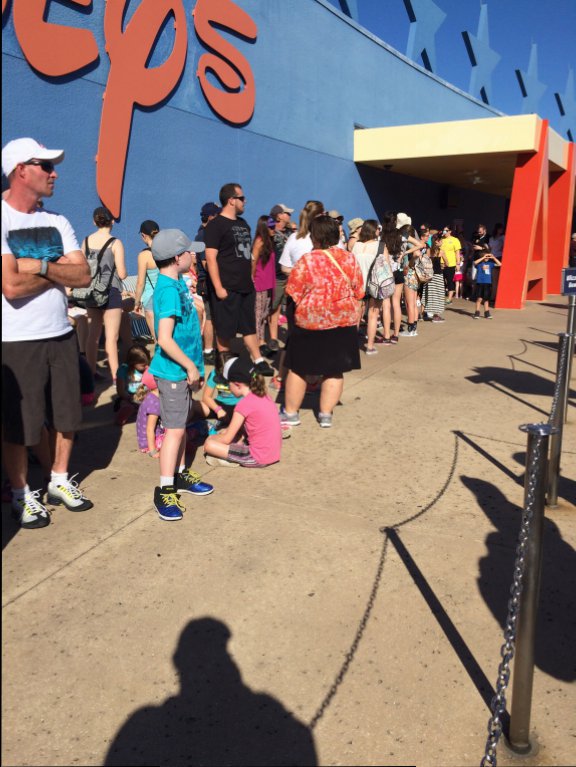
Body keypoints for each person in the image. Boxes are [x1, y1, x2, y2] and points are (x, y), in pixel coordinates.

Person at [2, 136, 94, 528]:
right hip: (16, 339)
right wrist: (58, 270)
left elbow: (84, 275)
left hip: (61, 333)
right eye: (46, 166)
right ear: (20, 170)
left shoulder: (58, 221)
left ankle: (58, 480)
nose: (54, 174)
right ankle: (22, 494)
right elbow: (10, 286)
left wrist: (38, 266)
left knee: (67, 414)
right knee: (19, 423)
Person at [147, 229, 214, 521]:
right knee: (174, 430)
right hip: (174, 372)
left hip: (182, 371)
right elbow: (164, 338)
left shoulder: (176, 284)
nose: (193, 255)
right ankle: (165, 489)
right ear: (177, 258)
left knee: (181, 425)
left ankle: (181, 473)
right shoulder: (168, 290)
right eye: (189, 251)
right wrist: (189, 366)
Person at [281, 215, 364, 428]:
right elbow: (359, 290)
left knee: (299, 367)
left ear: (315, 237)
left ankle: (291, 414)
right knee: (334, 369)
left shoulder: (308, 260)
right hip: (342, 320)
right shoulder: (349, 259)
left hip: (311, 320)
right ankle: (326, 415)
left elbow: (293, 291)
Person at [204, 183, 273, 376]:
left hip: (245, 287)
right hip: (226, 287)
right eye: (241, 198)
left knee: (249, 326)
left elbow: (246, 255)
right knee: (225, 330)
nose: (245, 201)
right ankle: (225, 367)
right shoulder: (215, 225)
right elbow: (210, 258)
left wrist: (250, 278)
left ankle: (258, 360)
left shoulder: (243, 224)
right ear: (231, 200)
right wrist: (218, 287)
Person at [203, 356, 282, 468]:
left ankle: (230, 460)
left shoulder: (243, 405)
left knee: (209, 445)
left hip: (256, 457)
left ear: (237, 385)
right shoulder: (263, 395)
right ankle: (234, 451)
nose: (228, 387)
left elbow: (226, 439)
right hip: (273, 453)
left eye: (228, 383)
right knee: (227, 434)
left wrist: (211, 438)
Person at [83, 206, 128, 381]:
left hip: (91, 291)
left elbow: (82, 268)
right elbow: (122, 274)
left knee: (92, 335)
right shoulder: (115, 243)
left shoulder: (86, 241)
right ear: (112, 221)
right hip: (111, 290)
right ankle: (117, 377)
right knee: (111, 337)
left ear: (94, 222)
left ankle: (91, 372)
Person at [195, 202, 221, 365]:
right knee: (211, 318)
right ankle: (208, 351)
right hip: (207, 282)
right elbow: (206, 264)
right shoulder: (202, 236)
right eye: (217, 215)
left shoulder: (206, 234)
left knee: (216, 317)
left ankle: (215, 349)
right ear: (211, 217)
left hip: (212, 282)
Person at [267, 203, 294, 351]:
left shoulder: (291, 233)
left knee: (291, 307)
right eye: (287, 213)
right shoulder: (269, 232)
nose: (289, 216)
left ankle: (291, 337)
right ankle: (273, 339)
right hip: (276, 276)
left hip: (290, 276)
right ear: (279, 216)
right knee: (274, 308)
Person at [251, 215, 277, 357]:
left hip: (268, 284)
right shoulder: (259, 242)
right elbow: (253, 262)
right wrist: (252, 279)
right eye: (271, 227)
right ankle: (256, 345)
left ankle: (261, 341)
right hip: (260, 284)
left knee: (263, 315)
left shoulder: (269, 242)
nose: (273, 229)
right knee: (258, 316)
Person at [133, 219, 160, 340]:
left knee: (158, 339)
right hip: (168, 294)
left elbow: (140, 283)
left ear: (144, 236)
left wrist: (137, 303)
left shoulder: (144, 256)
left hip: (151, 299)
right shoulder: (167, 250)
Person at [114, 344, 151, 425]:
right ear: (133, 363)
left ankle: (140, 410)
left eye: (148, 363)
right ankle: (122, 416)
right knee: (127, 406)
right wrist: (130, 398)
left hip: (143, 394)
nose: (147, 366)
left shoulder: (147, 369)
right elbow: (120, 391)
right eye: (143, 365)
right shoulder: (123, 370)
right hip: (128, 396)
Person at [473, 244, 501, 319]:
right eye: (485, 257)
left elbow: (500, 264)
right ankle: (477, 312)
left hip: (487, 283)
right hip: (480, 283)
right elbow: (475, 263)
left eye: (488, 257)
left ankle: (487, 313)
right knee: (479, 299)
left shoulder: (490, 264)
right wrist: (483, 257)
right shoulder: (479, 264)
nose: (487, 258)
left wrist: (493, 257)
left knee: (486, 299)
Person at [439, 225, 462, 304]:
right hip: (441, 263)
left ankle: (449, 298)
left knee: (450, 281)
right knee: (441, 281)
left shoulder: (455, 240)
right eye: (443, 230)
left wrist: (458, 263)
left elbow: (457, 252)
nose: (444, 232)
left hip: (451, 264)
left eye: (446, 230)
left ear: (450, 231)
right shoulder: (441, 239)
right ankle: (441, 297)